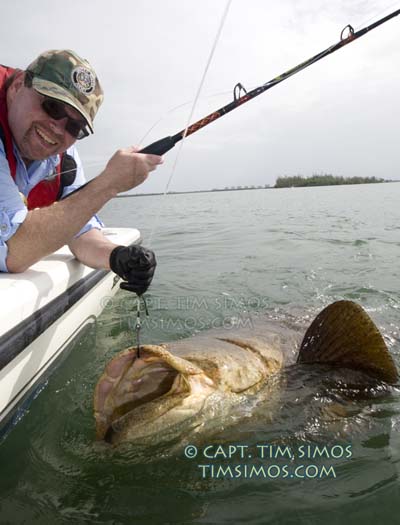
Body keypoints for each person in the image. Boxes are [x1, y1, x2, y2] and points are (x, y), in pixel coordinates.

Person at [0, 49, 162, 295]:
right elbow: (14, 252)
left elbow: (79, 230)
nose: (57, 129)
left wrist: (118, 257)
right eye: (52, 106)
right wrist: (109, 184)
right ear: (18, 86)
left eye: (75, 126)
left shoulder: (62, 155)